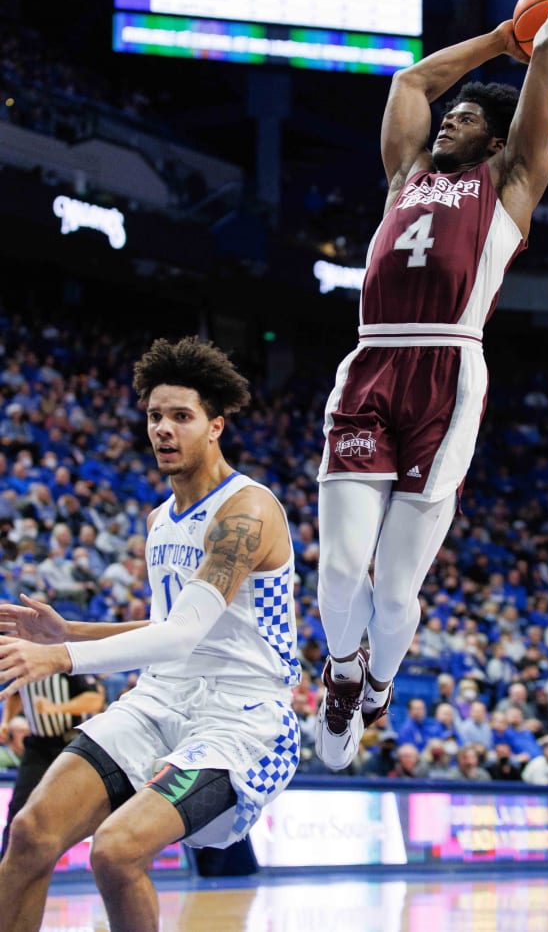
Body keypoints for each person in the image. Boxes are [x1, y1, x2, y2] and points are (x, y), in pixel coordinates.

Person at [314, 0, 548, 771]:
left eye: (468, 117)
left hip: (449, 371)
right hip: (373, 360)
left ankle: (380, 677)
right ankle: (342, 676)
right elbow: (409, 84)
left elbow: (546, 69)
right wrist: (497, 36)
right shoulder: (405, 172)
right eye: (454, 114)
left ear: (496, 139)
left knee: (397, 586)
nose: (451, 118)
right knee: (340, 566)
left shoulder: (510, 185)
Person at [0, 336, 301, 932]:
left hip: (241, 719)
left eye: (181, 417)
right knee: (30, 835)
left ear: (215, 426)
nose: (163, 429)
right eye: (155, 416)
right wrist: (73, 628)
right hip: (159, 700)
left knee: (116, 851)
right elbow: (171, 624)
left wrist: (64, 655)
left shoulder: (247, 510)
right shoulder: (159, 519)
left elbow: (184, 634)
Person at [0, 672, 104, 855]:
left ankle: (102, 855)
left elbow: (94, 700)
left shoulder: (64, 665)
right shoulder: (23, 666)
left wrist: (56, 708)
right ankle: (5, 868)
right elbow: (16, 695)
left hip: (68, 744)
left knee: (87, 806)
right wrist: (6, 721)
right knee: (18, 807)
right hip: (37, 745)